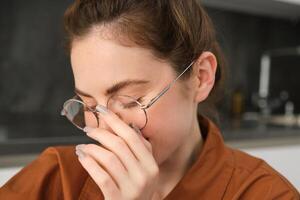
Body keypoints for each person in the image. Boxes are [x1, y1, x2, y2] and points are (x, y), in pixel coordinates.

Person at [0, 0, 299, 199]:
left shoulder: (265, 193)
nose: (107, 130)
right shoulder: (55, 179)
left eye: (130, 100)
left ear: (201, 77)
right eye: (89, 106)